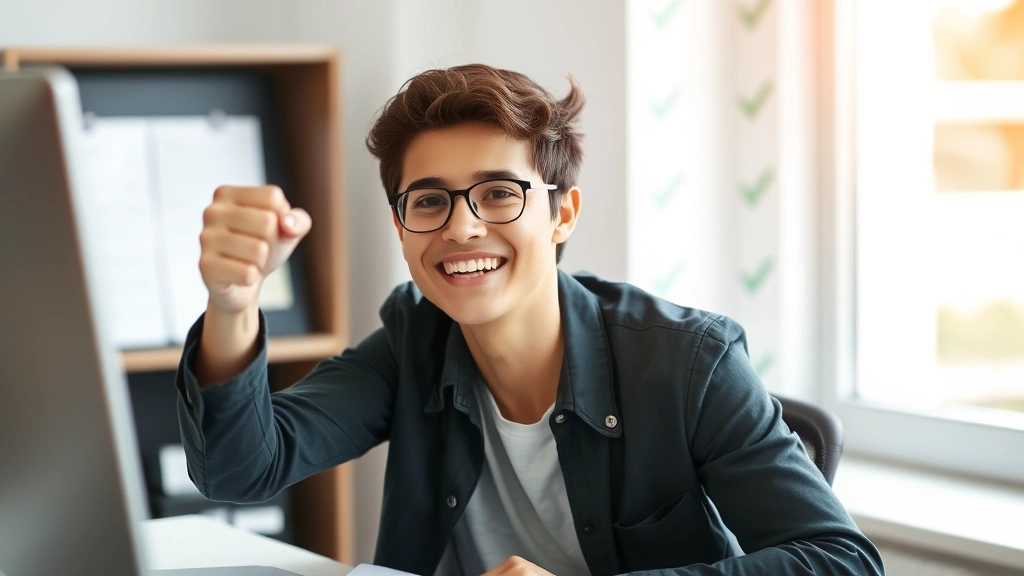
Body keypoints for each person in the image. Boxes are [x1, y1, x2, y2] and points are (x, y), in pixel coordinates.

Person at [176, 64, 884, 576]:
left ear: (561, 214)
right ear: (401, 227)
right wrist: (234, 302)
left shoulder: (689, 361)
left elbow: (841, 561)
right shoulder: (413, 339)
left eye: (498, 194)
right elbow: (239, 468)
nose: (461, 229)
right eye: (429, 202)